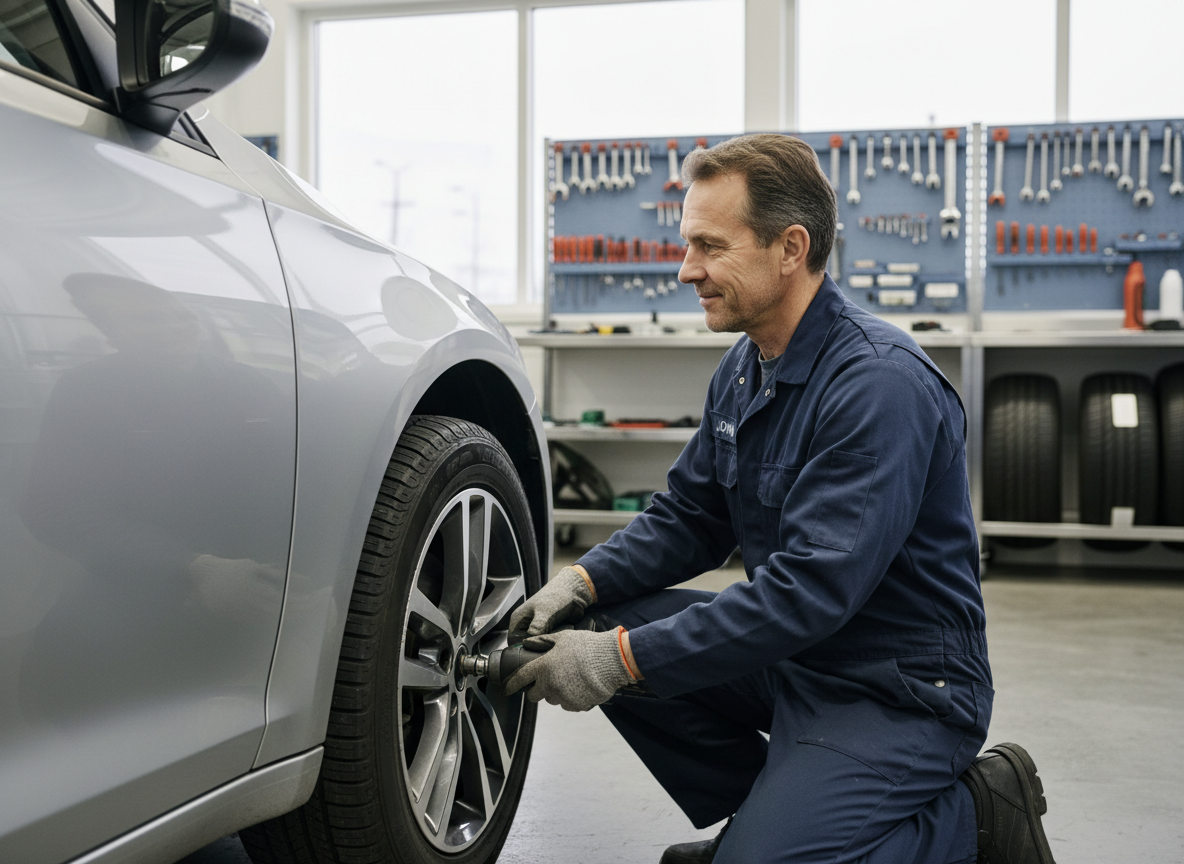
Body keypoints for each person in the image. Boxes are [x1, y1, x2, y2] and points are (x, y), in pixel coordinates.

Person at [505, 134, 1055, 864]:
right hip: (797, 658)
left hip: (898, 687)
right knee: (603, 619)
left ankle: (976, 818)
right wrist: (579, 581)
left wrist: (619, 659)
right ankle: (778, 818)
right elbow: (690, 516)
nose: (686, 269)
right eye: (687, 244)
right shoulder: (746, 367)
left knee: (629, 662)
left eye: (710, 246)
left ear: (790, 248)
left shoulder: (878, 384)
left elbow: (810, 592)